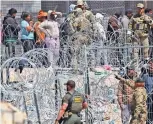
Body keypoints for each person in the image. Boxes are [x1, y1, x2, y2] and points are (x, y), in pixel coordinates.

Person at [142, 59, 153, 123]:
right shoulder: (145, 76)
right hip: (148, 101)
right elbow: (140, 88)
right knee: (148, 119)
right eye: (150, 65)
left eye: (152, 66)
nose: (151, 67)